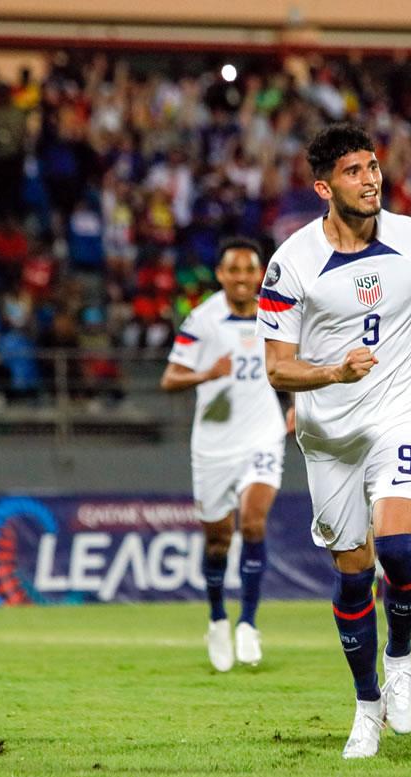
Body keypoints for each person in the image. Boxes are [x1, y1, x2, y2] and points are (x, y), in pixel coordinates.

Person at [257, 123, 411, 759]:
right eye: (353, 171)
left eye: (373, 166)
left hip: (400, 408)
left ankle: (399, 660)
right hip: (328, 434)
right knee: (353, 578)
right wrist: (331, 372)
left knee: (398, 548)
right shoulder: (290, 262)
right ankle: (366, 705)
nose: (370, 178)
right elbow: (277, 366)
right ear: (324, 186)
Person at [161, 239, 290, 673]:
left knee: (252, 522)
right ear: (220, 275)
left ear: (260, 274)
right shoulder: (202, 319)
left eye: (249, 270)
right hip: (214, 445)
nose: (241, 278)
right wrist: (206, 373)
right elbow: (170, 379)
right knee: (217, 539)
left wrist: (298, 409)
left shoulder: (278, 312)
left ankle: (248, 623)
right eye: (233, 270)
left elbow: (296, 361)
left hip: (263, 436)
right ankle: (217, 618)